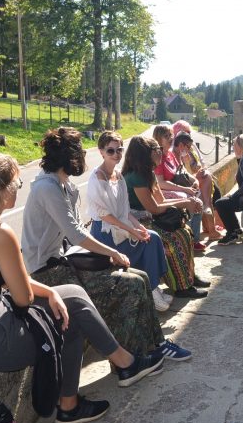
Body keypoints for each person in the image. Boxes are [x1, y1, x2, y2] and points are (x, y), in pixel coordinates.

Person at [0, 152, 164, 423]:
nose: (18, 191)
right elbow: (22, 298)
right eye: (16, 184)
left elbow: (7, 282)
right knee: (70, 318)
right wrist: (49, 296)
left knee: (69, 296)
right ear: (1, 190)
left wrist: (51, 292)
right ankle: (95, 386)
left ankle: (118, 368)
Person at [21, 128, 191, 362]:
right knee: (127, 285)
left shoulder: (63, 186)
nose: (83, 156)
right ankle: (133, 358)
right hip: (46, 271)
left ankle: (156, 344)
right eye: (80, 151)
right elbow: (77, 233)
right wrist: (113, 253)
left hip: (62, 261)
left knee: (139, 277)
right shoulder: (48, 188)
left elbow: (76, 233)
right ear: (69, 157)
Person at [87, 131, 172, 313]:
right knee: (147, 241)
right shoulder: (97, 178)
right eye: (111, 150)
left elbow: (124, 210)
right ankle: (151, 291)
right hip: (106, 234)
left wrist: (139, 227)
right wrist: (132, 231)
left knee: (152, 237)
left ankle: (153, 287)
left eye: (119, 149)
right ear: (101, 151)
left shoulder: (118, 176)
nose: (116, 154)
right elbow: (105, 216)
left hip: (121, 227)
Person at [122, 136, 210, 298]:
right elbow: (154, 208)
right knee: (174, 238)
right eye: (157, 150)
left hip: (148, 218)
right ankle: (181, 286)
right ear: (147, 154)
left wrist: (188, 200)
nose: (161, 153)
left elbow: (161, 201)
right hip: (137, 222)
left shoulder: (148, 173)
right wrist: (184, 203)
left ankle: (189, 277)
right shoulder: (137, 177)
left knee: (186, 233)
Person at [152, 124, 206, 252]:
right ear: (159, 139)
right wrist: (185, 190)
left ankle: (193, 240)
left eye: (171, 135)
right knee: (189, 200)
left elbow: (181, 170)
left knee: (198, 200)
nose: (171, 138)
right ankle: (187, 239)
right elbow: (161, 183)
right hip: (164, 191)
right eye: (166, 136)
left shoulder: (170, 155)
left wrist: (194, 180)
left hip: (176, 188)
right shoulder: (158, 157)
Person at [215, 134, 243, 246]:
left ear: (241, 146)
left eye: (234, 145)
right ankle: (236, 230)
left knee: (220, 204)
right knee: (225, 201)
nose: (233, 148)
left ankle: (232, 233)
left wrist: (235, 195)